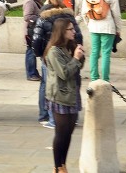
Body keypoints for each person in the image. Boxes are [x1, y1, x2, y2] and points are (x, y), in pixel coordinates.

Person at [32, 0, 83, 130]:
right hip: (69, 52)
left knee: (49, 84)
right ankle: (70, 115)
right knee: (70, 82)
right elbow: (78, 35)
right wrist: (77, 51)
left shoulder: (43, 17)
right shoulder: (69, 16)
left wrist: (39, 54)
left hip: (48, 53)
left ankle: (48, 116)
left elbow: (36, 39)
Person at [44, 18, 85, 173]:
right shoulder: (54, 51)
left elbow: (77, 68)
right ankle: (57, 167)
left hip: (72, 94)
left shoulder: (69, 46)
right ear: (62, 31)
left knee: (68, 133)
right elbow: (64, 73)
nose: (74, 32)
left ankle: (63, 164)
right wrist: (76, 58)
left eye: (73, 29)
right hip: (60, 96)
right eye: (70, 29)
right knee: (61, 133)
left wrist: (80, 55)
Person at [81, 0, 122, 82]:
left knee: (94, 52)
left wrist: (88, 24)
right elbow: (116, 13)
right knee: (106, 53)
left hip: (94, 26)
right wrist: (118, 28)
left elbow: (84, 12)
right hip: (108, 27)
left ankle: (94, 78)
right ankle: (105, 79)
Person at [23, 0, 43, 83]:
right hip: (30, 30)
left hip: (34, 29)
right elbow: (27, 17)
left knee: (32, 51)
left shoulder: (36, 1)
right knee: (31, 51)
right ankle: (31, 73)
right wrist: (40, 18)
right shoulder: (29, 2)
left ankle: (33, 72)